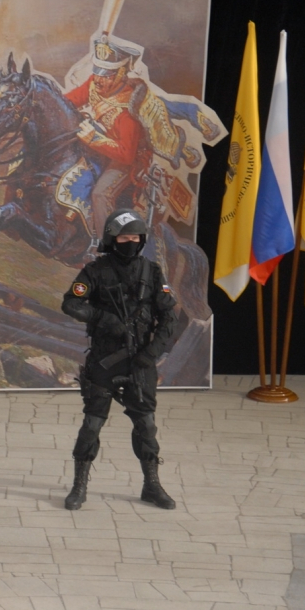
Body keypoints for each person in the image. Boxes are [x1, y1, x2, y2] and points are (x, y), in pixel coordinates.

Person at [61, 208, 178, 511]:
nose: (130, 242)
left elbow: (169, 316)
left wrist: (152, 353)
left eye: (135, 237)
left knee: (146, 425)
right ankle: (79, 485)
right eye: (124, 237)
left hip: (141, 361)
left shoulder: (152, 272)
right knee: (92, 424)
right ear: (112, 239)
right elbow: (71, 303)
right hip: (104, 359)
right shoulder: (95, 271)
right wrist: (102, 318)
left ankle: (151, 484)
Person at [65, 39, 151, 242]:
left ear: (121, 74)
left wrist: (94, 139)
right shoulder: (94, 83)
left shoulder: (128, 111)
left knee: (101, 195)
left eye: (106, 74)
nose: (98, 79)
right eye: (97, 72)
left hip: (129, 161)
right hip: (101, 148)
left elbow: (126, 154)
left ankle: (109, 246)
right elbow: (68, 102)